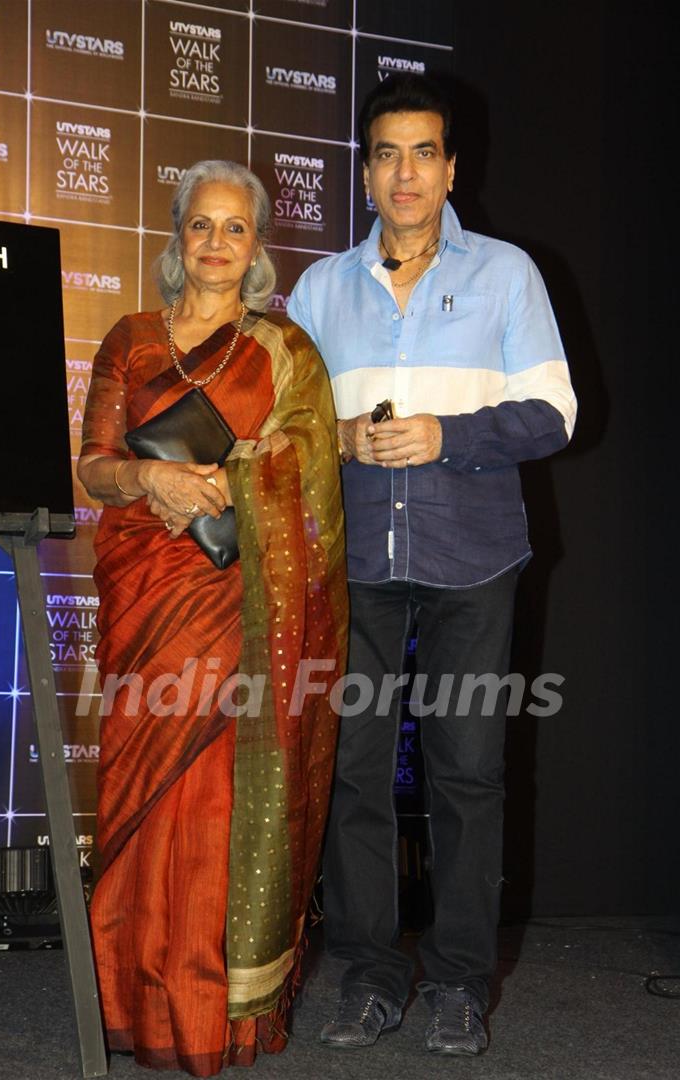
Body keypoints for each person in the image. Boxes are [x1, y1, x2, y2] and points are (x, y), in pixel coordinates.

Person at [288, 73, 577, 1055]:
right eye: (385, 153)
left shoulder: (507, 275)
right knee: (355, 776)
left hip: (474, 558)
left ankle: (457, 982)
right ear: (365, 171)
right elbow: (288, 432)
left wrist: (445, 436)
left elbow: (555, 413)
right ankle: (369, 975)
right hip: (358, 561)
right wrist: (346, 442)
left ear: (452, 168)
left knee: (467, 774)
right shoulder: (321, 288)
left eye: (423, 152)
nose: (403, 172)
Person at [77, 160, 347, 1078]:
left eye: (237, 228)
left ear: (260, 246)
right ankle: (129, 1000)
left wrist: (232, 478)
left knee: (218, 807)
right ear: (177, 236)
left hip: (238, 600)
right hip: (148, 593)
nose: (218, 243)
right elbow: (95, 465)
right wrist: (150, 478)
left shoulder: (284, 349)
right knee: (140, 793)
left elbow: (311, 467)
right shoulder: (131, 337)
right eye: (203, 225)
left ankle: (214, 1014)